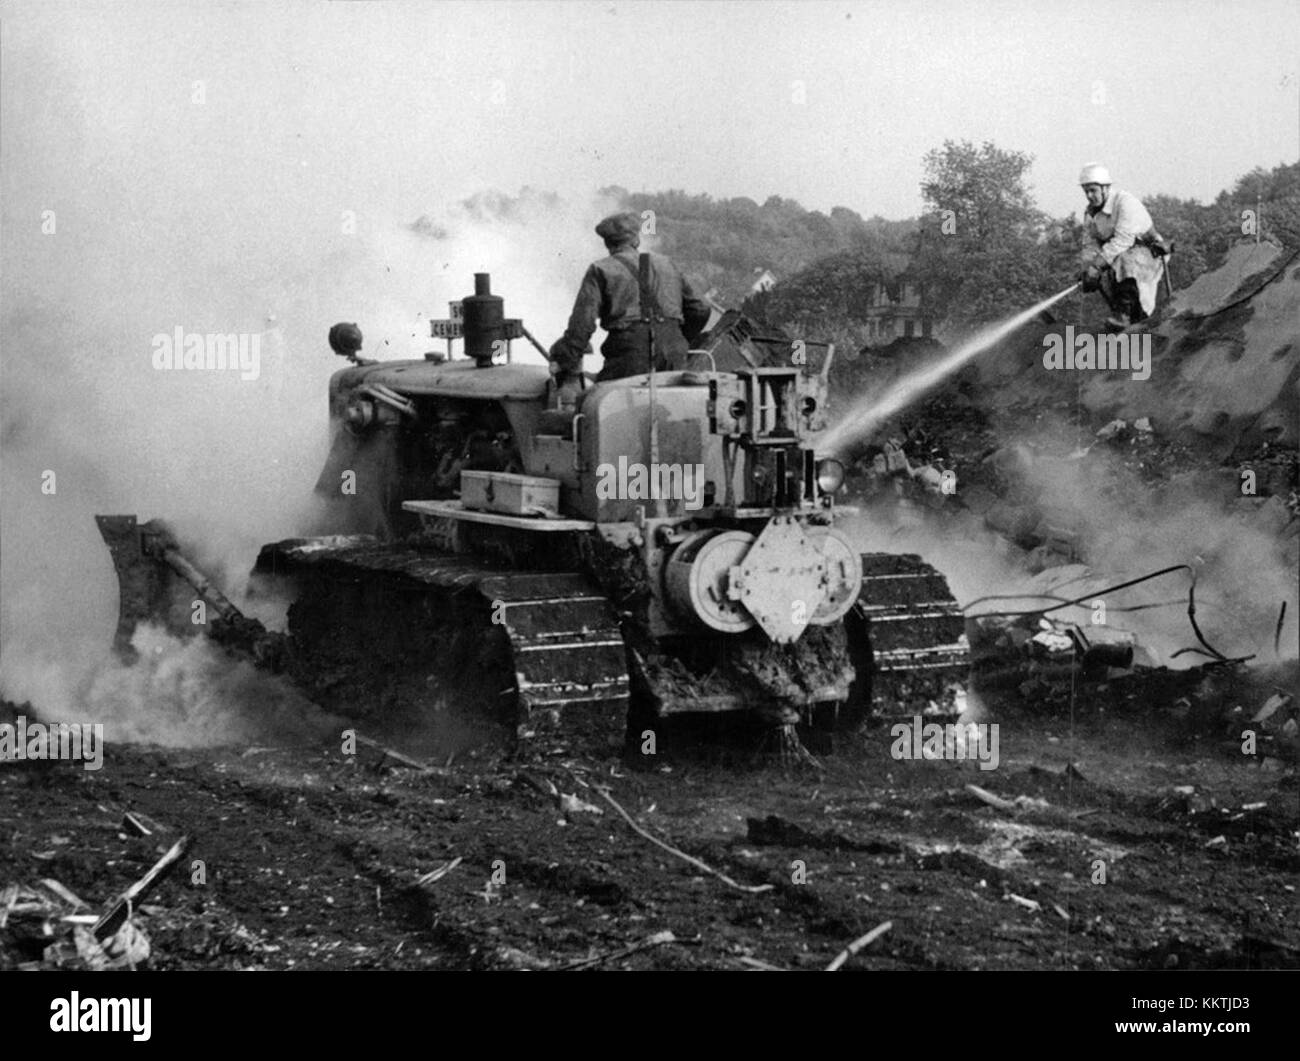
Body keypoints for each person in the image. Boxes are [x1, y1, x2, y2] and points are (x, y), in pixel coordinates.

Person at [549, 212, 711, 387]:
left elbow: (583, 324)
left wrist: (564, 360)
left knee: (594, 405)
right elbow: (701, 308)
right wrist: (679, 337)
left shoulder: (600, 269)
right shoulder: (667, 264)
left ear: (607, 243)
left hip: (629, 356)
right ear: (636, 240)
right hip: (674, 354)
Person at [1076, 164, 1169, 330]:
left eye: (1093, 190)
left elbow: (1123, 241)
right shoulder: (1090, 213)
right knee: (1116, 272)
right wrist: (1087, 270)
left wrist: (1097, 266)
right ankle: (1127, 321)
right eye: (1086, 191)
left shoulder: (1125, 202)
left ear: (1105, 188)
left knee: (1125, 261)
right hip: (1119, 260)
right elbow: (1090, 245)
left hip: (1148, 255)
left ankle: (1125, 316)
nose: (1089, 196)